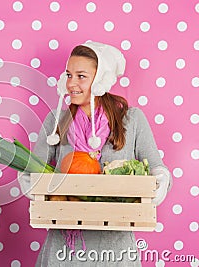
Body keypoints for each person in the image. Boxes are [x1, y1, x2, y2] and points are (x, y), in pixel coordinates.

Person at [18, 41, 172, 266]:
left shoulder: (132, 120)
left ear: (101, 81)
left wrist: (153, 186)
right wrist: (43, 189)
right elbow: (31, 174)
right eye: (68, 75)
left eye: (81, 76)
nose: (71, 83)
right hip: (63, 248)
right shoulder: (56, 122)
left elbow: (159, 170)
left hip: (115, 249)